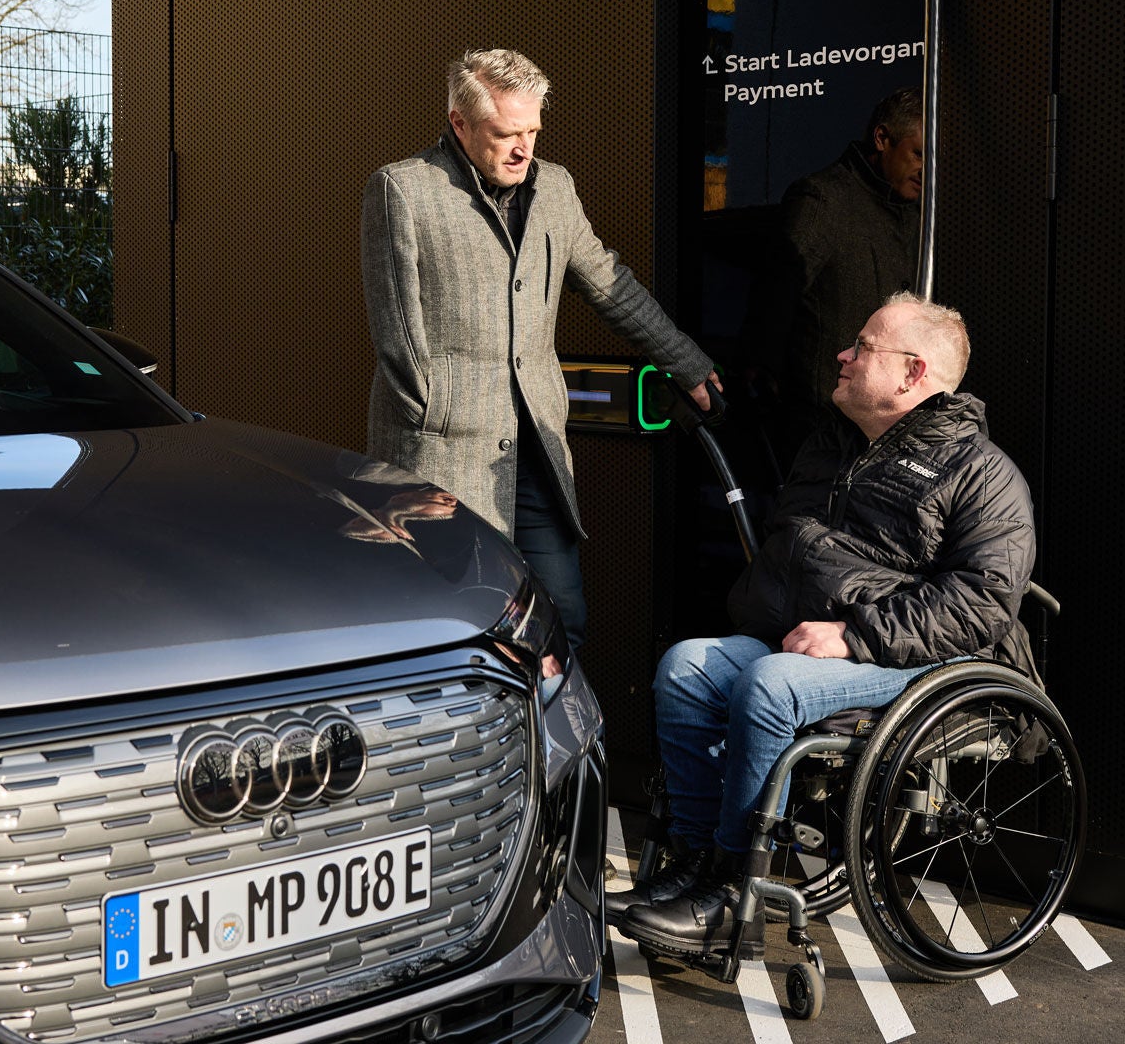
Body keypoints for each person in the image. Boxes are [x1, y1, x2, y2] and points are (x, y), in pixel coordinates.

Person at [611, 292, 1036, 959]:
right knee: (687, 666)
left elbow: (982, 603)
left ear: (911, 374)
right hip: (805, 640)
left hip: (914, 656)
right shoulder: (830, 446)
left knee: (773, 684)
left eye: (863, 345)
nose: (842, 353)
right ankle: (690, 866)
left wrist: (853, 636)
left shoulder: (982, 474)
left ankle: (731, 895)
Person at [361, 48, 719, 651]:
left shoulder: (554, 188)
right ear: (459, 123)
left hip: (537, 451)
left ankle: (554, 744)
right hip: (442, 456)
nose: (522, 149)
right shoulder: (404, 189)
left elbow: (610, 284)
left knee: (562, 617)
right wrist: (439, 414)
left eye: (532, 131)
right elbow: (398, 334)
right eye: (506, 134)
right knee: (456, 625)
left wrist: (685, 361)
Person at [762, 87, 925, 463]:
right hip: (822, 425)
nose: (925, 169)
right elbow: (775, 302)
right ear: (883, 138)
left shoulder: (921, 215)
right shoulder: (824, 200)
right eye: (917, 153)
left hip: (891, 424)